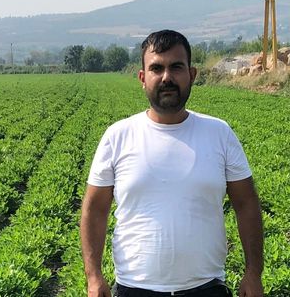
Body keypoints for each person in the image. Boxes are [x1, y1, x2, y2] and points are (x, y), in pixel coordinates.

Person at [80, 30, 263, 297]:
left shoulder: (219, 134)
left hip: (207, 288)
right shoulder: (117, 136)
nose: (167, 77)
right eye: (157, 68)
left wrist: (253, 273)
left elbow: (246, 204)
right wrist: (93, 276)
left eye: (176, 67)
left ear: (192, 74)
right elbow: (94, 210)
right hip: (134, 289)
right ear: (143, 78)